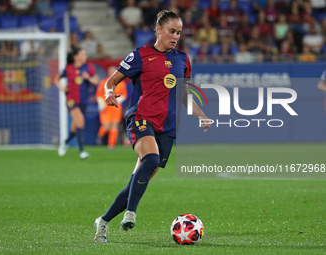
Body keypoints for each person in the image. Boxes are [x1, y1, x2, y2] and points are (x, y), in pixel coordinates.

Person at [94, 10, 211, 243]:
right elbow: (112, 80)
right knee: (151, 159)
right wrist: (109, 93)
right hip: (141, 117)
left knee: (137, 181)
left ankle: (103, 221)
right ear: (158, 29)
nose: (175, 36)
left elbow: (183, 94)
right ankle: (131, 213)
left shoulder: (182, 59)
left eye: (179, 32)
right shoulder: (141, 55)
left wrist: (201, 115)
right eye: (171, 31)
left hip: (167, 128)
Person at [54, 47, 98, 159]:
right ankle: (82, 151)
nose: (85, 57)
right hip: (71, 101)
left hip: (83, 101)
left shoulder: (88, 67)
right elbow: (56, 79)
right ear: (76, 57)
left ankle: (64, 143)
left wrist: (88, 78)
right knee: (81, 121)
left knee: (75, 127)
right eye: (83, 54)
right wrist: (62, 87)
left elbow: (96, 82)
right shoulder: (68, 68)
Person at [96, 66, 127, 150]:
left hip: (116, 107)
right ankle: (99, 137)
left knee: (114, 126)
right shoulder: (103, 82)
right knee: (106, 126)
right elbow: (98, 95)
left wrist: (117, 100)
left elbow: (124, 95)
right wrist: (101, 103)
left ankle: (111, 145)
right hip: (106, 107)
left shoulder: (121, 83)